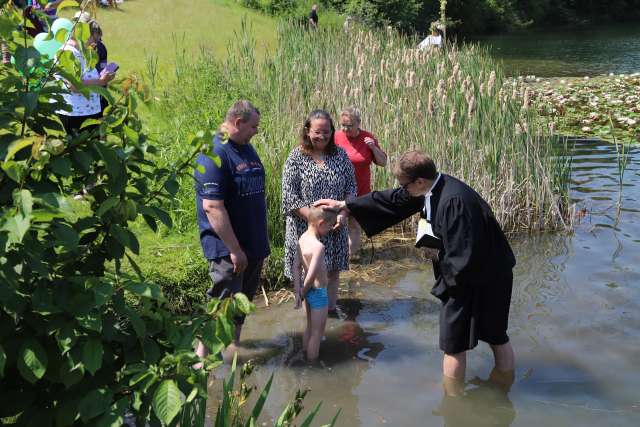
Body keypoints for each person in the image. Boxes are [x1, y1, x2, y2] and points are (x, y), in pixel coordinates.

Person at [315, 150, 516, 396]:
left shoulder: (453, 201)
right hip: (483, 270)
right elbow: (394, 200)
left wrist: (437, 261)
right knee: (492, 335)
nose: (402, 189)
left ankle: (452, 401)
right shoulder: (432, 187)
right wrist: (348, 205)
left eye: (404, 184)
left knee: (459, 341)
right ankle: (502, 390)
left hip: (479, 276)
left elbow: (463, 257)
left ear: (419, 181)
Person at [194, 100, 269, 361]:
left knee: (242, 302)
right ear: (238, 123)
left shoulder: (246, 148)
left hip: (253, 244)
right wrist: (235, 250)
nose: (256, 131)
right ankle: (200, 360)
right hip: (228, 248)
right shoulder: (214, 153)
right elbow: (213, 207)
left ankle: (234, 349)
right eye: (253, 126)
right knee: (220, 303)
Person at [282, 110, 356, 318]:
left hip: (336, 227)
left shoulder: (340, 155)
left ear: (332, 131)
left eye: (326, 131)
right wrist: (316, 222)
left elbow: (351, 189)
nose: (322, 136)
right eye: (317, 132)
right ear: (307, 131)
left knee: (332, 272)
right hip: (306, 229)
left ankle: (330, 313)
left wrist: (343, 212)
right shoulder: (296, 157)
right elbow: (289, 196)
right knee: (309, 273)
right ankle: (310, 317)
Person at [335, 107, 387, 256]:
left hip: (361, 192)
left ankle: (349, 261)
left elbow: (383, 162)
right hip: (338, 191)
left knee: (354, 226)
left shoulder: (367, 138)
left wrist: (373, 147)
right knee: (336, 223)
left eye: (349, 126)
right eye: (342, 125)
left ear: (358, 123)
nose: (345, 129)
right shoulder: (336, 137)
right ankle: (334, 256)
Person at [293, 206, 337, 361]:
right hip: (318, 292)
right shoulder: (318, 247)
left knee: (309, 328)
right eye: (330, 226)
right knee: (317, 334)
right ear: (321, 223)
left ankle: (305, 354)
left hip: (307, 292)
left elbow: (296, 267)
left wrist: (298, 291)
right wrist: (302, 293)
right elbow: (311, 276)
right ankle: (312, 365)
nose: (331, 229)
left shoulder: (302, 239)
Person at [56, 29, 114, 134]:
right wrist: (101, 81)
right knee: (79, 147)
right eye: (94, 39)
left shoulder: (83, 51)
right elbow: (74, 86)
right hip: (76, 114)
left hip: (88, 111)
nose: (95, 44)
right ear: (84, 34)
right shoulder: (68, 52)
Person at [87, 19, 109, 113]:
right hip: (87, 84)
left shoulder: (101, 47)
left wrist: (106, 72)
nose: (98, 41)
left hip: (99, 84)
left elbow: (103, 64)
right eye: (97, 38)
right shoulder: (80, 48)